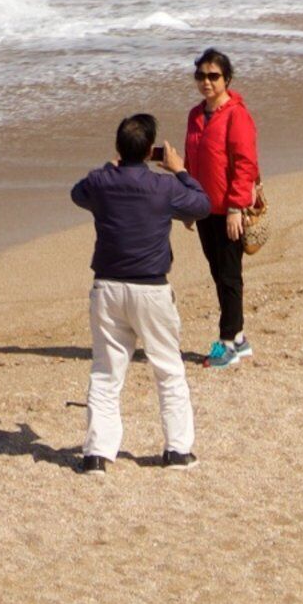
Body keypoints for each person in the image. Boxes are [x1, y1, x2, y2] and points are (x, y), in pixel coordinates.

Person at [67, 112, 209, 472]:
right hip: (149, 288)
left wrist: (110, 167)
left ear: (119, 148)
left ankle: (97, 453)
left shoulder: (101, 182)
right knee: (168, 368)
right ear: (150, 151)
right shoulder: (163, 187)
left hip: (109, 287)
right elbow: (201, 204)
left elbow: (79, 192)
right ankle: (177, 450)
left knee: (106, 371)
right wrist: (178, 169)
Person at [183, 49, 263, 365]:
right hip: (204, 208)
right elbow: (191, 161)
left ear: (226, 78)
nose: (206, 81)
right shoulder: (195, 114)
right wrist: (188, 202)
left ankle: (227, 344)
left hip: (229, 211)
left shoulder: (237, 115)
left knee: (230, 276)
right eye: (201, 75)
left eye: (213, 76)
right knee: (218, 274)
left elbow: (245, 164)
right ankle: (240, 339)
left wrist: (235, 208)